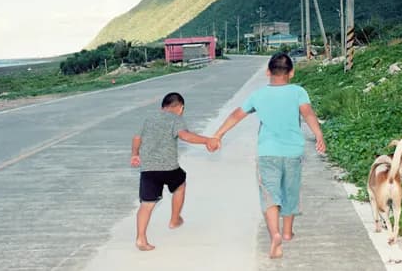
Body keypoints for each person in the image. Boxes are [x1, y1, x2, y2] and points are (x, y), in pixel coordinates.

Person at [213, 52, 326, 259]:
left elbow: (236, 115)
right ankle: (287, 233)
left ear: (268, 72)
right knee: (290, 191)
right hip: (293, 152)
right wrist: (319, 135)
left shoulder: (258, 95)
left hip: (268, 153)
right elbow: (308, 114)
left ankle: (274, 235)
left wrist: (218, 135)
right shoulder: (298, 91)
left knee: (270, 195)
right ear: (291, 73)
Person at [130, 91, 220, 251]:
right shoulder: (176, 119)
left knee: (146, 204)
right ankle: (174, 219)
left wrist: (135, 154)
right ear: (180, 107)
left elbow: (137, 138)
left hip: (148, 169)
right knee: (180, 184)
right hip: (169, 168)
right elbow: (185, 136)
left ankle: (140, 239)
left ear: (162, 107)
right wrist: (208, 140)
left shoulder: (148, 119)